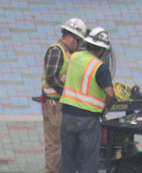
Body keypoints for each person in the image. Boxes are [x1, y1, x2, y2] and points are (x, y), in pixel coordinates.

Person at [60, 28, 115, 173]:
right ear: (102, 50)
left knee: (67, 160)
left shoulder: (73, 57)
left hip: (67, 116)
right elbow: (110, 93)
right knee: (89, 163)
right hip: (89, 120)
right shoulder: (100, 67)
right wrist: (107, 107)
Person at [42, 18, 88, 173]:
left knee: (62, 144)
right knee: (55, 145)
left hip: (60, 104)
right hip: (54, 105)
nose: (79, 44)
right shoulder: (56, 50)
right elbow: (51, 78)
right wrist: (69, 94)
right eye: (78, 41)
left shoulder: (68, 53)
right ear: (70, 36)